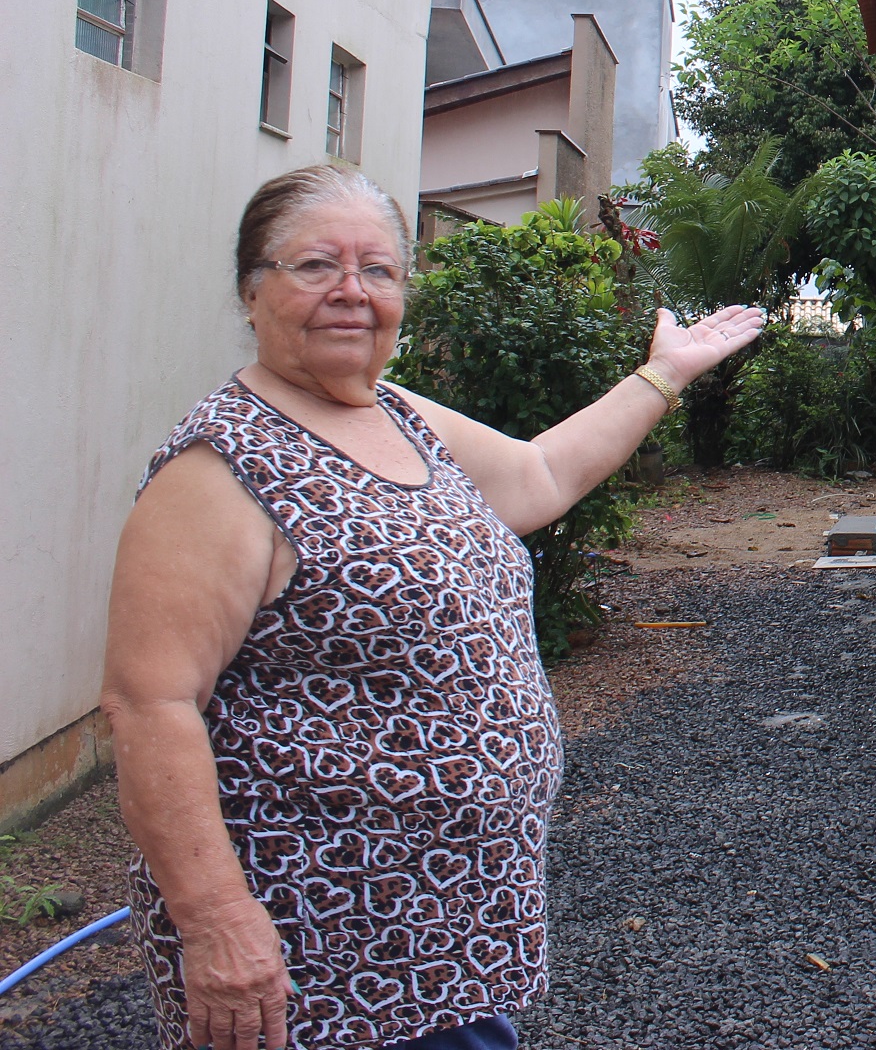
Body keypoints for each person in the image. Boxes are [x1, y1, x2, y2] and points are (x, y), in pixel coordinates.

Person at [100, 164, 763, 1050]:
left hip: (447, 929)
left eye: (378, 269)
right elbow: (149, 704)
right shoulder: (222, 469)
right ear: (251, 291)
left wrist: (662, 375)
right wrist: (216, 918)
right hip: (323, 944)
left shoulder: (397, 414)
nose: (351, 292)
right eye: (315, 266)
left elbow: (541, 476)